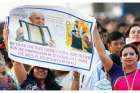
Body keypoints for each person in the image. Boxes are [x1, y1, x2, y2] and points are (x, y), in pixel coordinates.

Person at [93, 23, 140, 90]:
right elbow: (102, 53)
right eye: (125, 55)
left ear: (137, 57)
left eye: (132, 54)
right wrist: (94, 30)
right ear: (121, 58)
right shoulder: (115, 71)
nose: (128, 56)